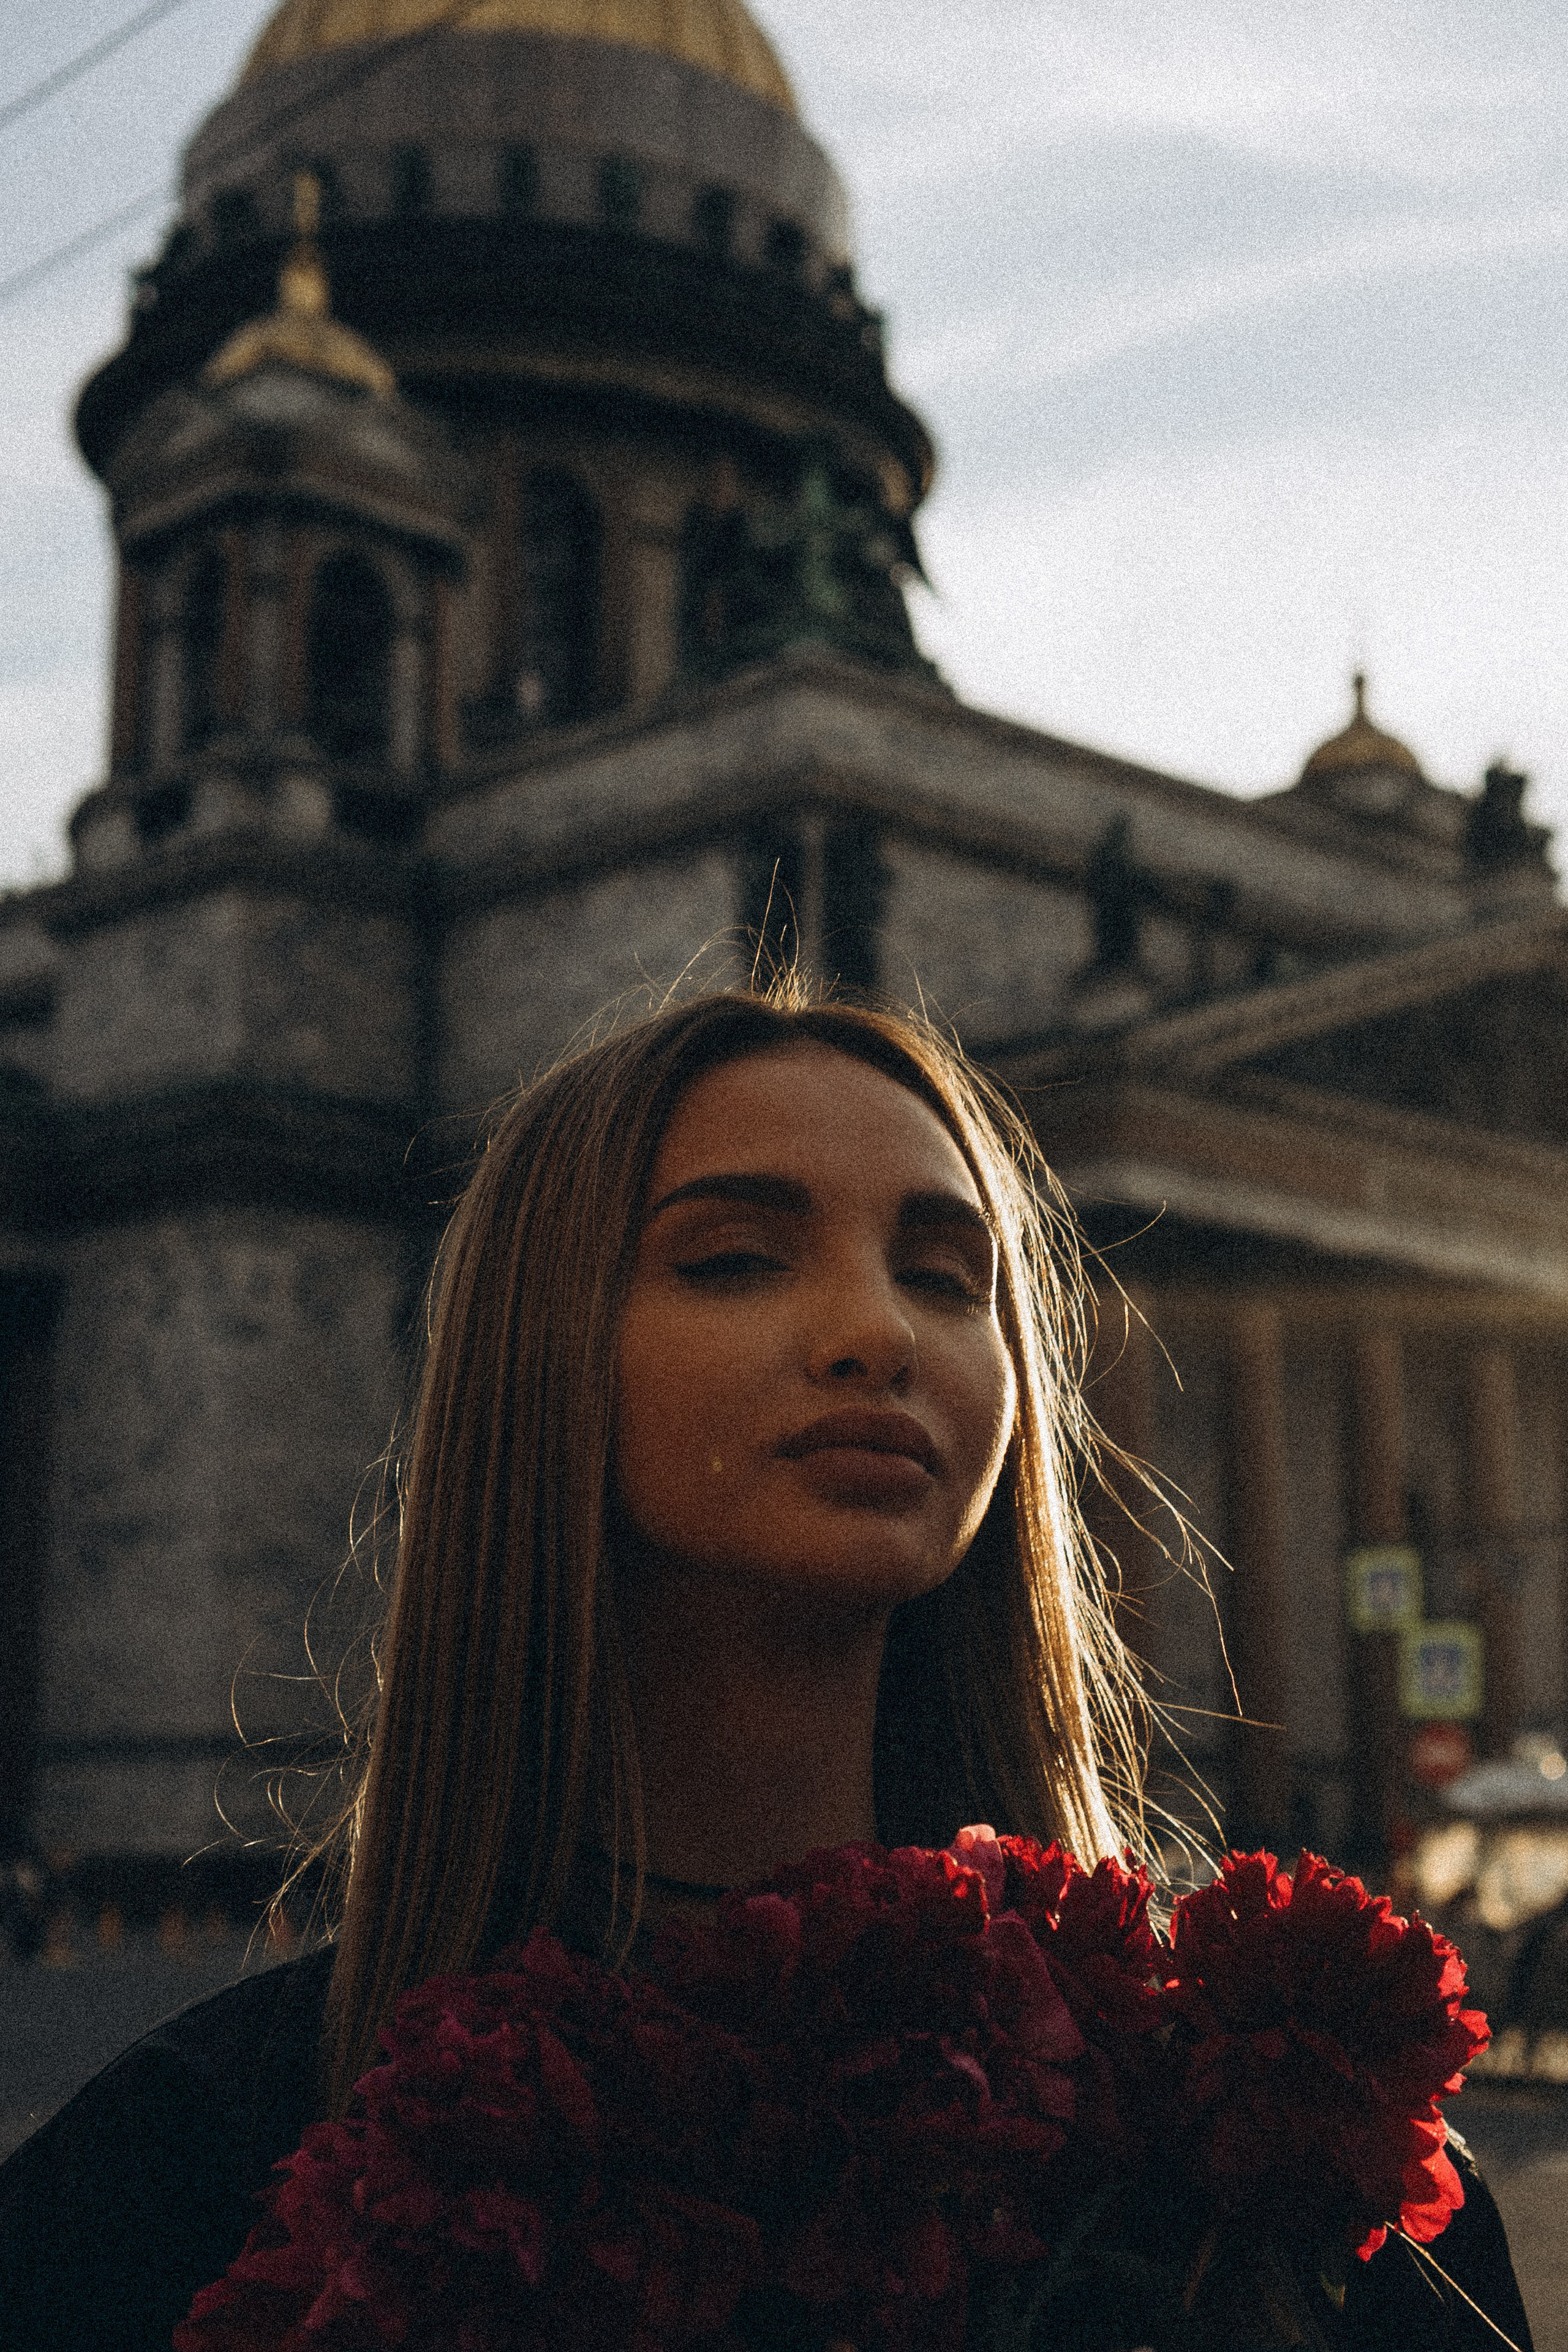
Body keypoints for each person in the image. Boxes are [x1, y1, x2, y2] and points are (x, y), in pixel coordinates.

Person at [0, 984, 1534, 2350]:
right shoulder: (185, 2178)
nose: (879, 1333)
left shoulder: (1289, 2147)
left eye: (948, 1277)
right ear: (534, 1365)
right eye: (733, 1258)